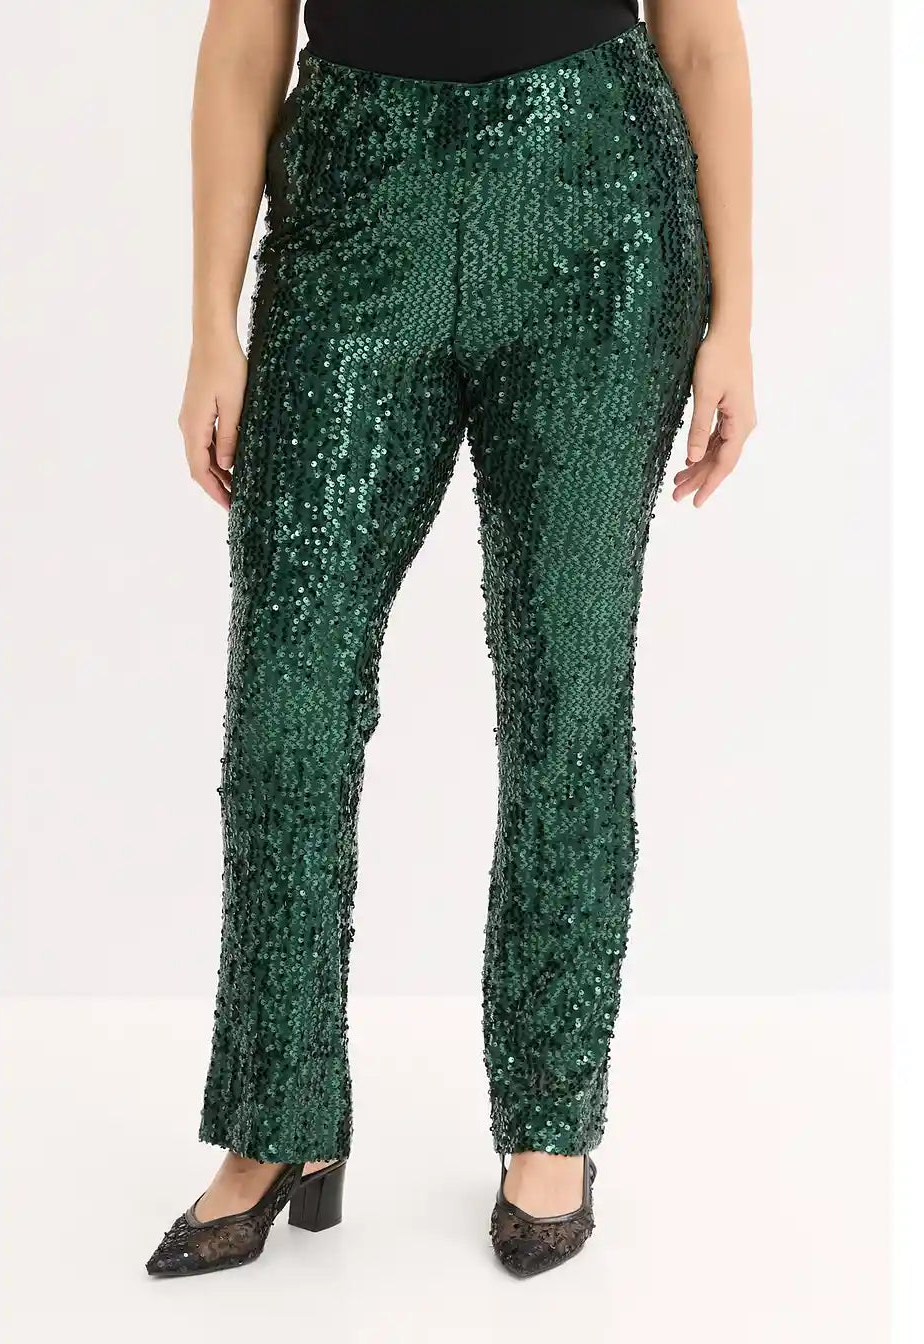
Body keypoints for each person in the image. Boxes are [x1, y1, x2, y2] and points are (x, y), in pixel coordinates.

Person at [147, 0, 755, 1281]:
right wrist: (212, 321)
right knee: (287, 697)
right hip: (354, 215)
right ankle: (277, 1117)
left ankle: (551, 1119)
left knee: (568, 687)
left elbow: (702, 38)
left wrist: (736, 319)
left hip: (598, 212)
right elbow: (246, 39)